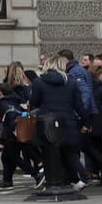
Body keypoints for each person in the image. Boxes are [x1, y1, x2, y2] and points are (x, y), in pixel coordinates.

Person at [27, 54, 85, 191]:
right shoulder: (71, 82)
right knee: (68, 153)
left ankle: (54, 182)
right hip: (67, 122)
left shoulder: (39, 82)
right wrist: (85, 122)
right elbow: (79, 105)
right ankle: (75, 180)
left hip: (47, 123)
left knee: (49, 154)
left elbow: (34, 102)